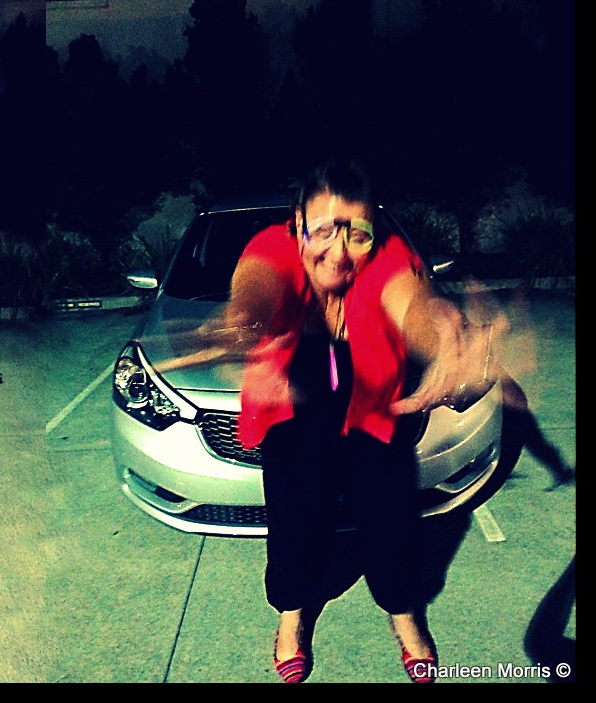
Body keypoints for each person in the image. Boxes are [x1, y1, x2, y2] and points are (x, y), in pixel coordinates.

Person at [158, 160, 498, 682]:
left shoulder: (387, 257)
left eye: (357, 235)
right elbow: (257, 282)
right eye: (322, 231)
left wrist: (441, 329)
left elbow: (409, 300)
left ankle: (403, 613)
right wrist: (242, 319)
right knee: (295, 523)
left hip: (374, 412)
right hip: (295, 410)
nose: (338, 253)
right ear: (298, 222)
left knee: (390, 520)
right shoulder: (272, 248)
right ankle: (292, 616)